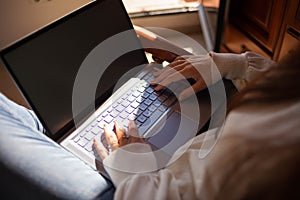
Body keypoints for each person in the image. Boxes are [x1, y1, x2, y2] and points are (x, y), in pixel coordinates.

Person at [0, 46, 299, 199]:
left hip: (133, 191)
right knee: (26, 121)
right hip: (170, 172)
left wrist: (133, 159)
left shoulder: (284, 144)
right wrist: (229, 64)